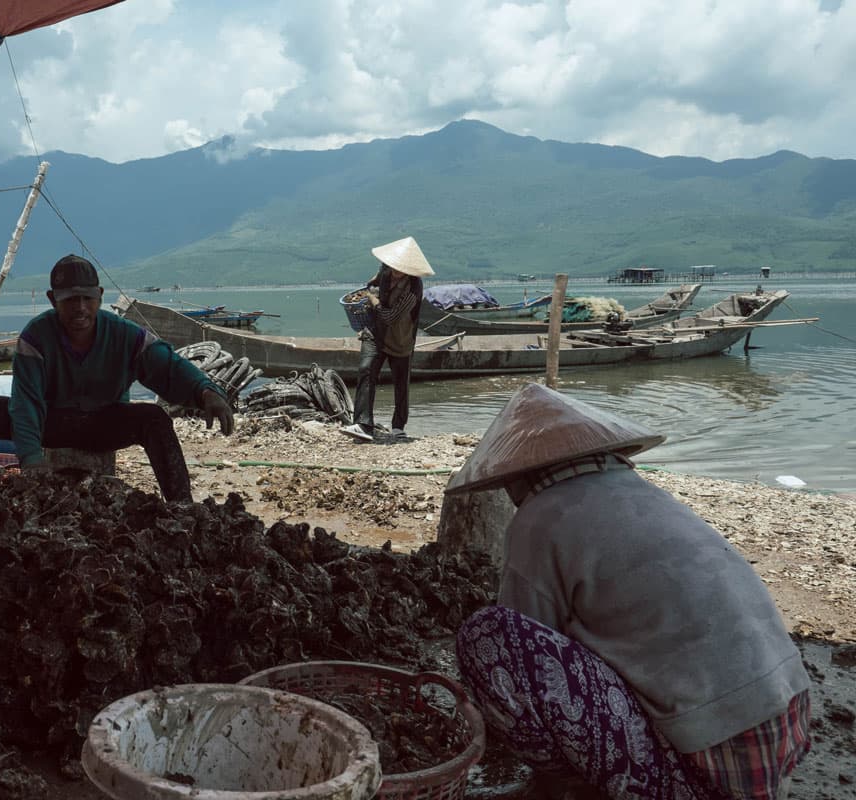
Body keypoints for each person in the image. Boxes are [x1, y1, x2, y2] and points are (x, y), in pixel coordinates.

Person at [446, 382, 811, 799]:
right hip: (778, 743)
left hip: (708, 774)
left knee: (489, 636)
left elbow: (522, 644)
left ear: (519, 477)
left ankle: (561, 790)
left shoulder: (541, 517)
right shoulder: (648, 496)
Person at [0, 254, 233, 502]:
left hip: (104, 422)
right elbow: (26, 404)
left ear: (99, 295)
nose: (81, 308)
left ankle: (182, 507)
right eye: (71, 299)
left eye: (87, 298)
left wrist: (205, 391)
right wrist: (32, 461)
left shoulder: (125, 335)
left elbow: (167, 366)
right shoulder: (35, 337)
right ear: (53, 299)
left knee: (154, 418)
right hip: (53, 420)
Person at [340, 236, 434, 443]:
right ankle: (363, 424)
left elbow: (391, 317)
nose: (395, 270)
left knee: (401, 382)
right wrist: (371, 288)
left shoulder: (413, 288)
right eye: (393, 265)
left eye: (401, 268)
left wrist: (372, 300)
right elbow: (370, 284)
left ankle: (399, 426)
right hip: (374, 333)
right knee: (366, 370)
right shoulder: (384, 270)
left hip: (400, 339)